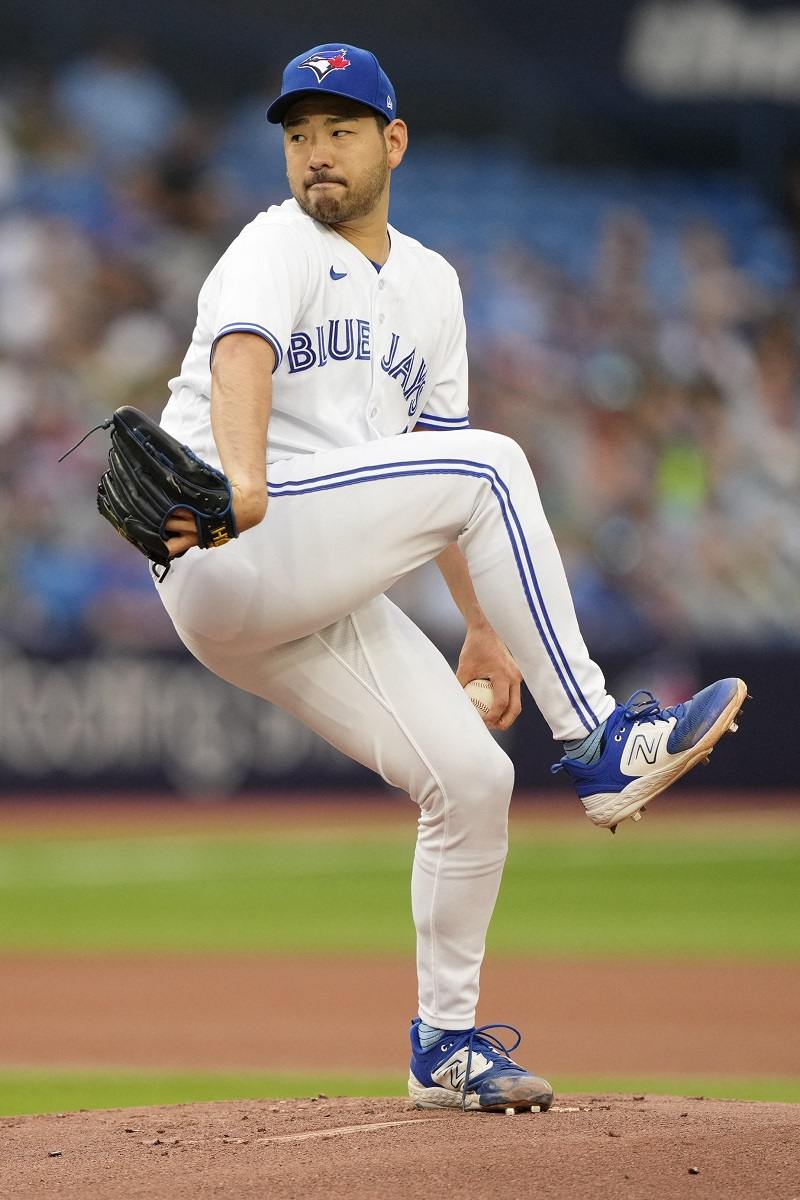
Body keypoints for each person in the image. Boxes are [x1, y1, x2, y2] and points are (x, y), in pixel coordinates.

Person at [155, 44, 747, 1113]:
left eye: (338, 130)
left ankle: (447, 1044)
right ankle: (602, 741)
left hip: (311, 575)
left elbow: (428, 473)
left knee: (471, 782)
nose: (314, 154)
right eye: (297, 135)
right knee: (493, 464)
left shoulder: (431, 285)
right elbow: (240, 356)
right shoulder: (273, 243)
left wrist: (483, 629)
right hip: (228, 544)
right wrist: (242, 478)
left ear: (393, 142)